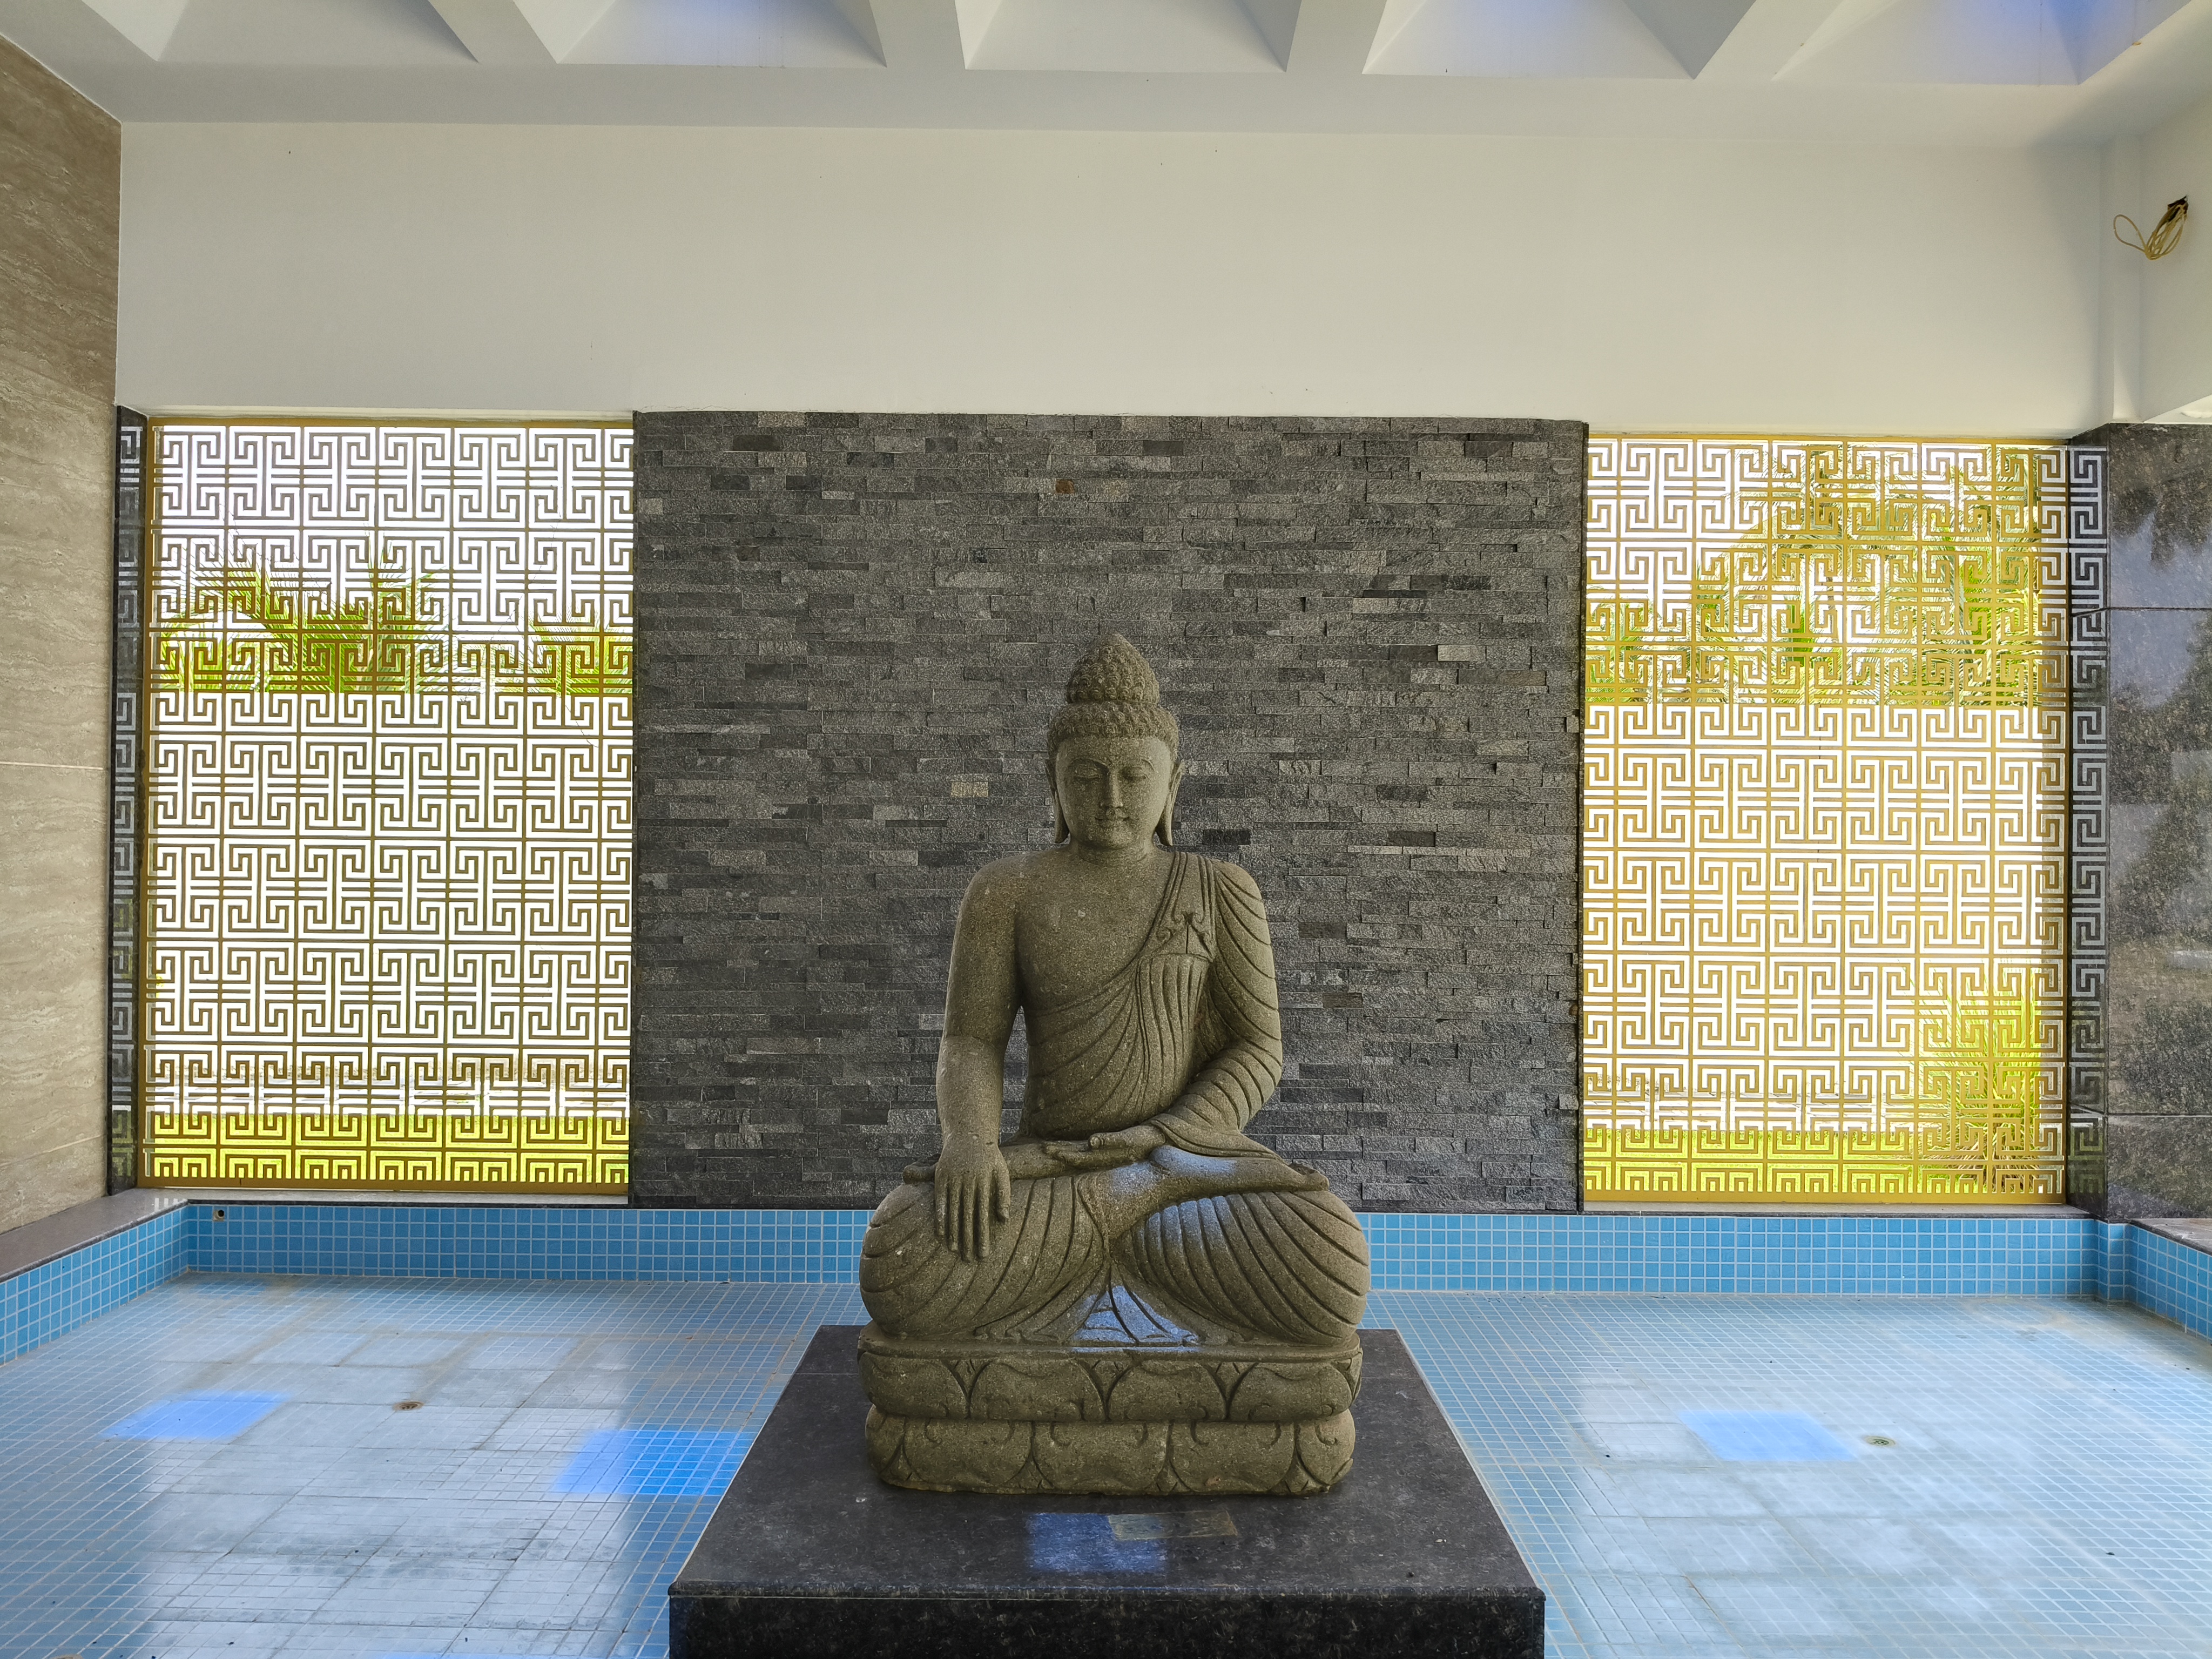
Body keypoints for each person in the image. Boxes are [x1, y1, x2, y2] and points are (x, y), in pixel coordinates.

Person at [858, 633, 1368, 1349]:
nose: (1113, 797)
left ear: (1173, 784)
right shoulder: (1006, 890)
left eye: (1135, 775)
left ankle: (1114, 1227)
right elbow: (971, 1040)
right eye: (1088, 776)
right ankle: (1126, 1241)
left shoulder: (1219, 889)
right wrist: (969, 1144)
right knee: (899, 1254)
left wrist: (1160, 1142)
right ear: (1054, 782)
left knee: (1330, 1265)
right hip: (1052, 1166)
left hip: (1177, 1168)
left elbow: (1257, 1050)